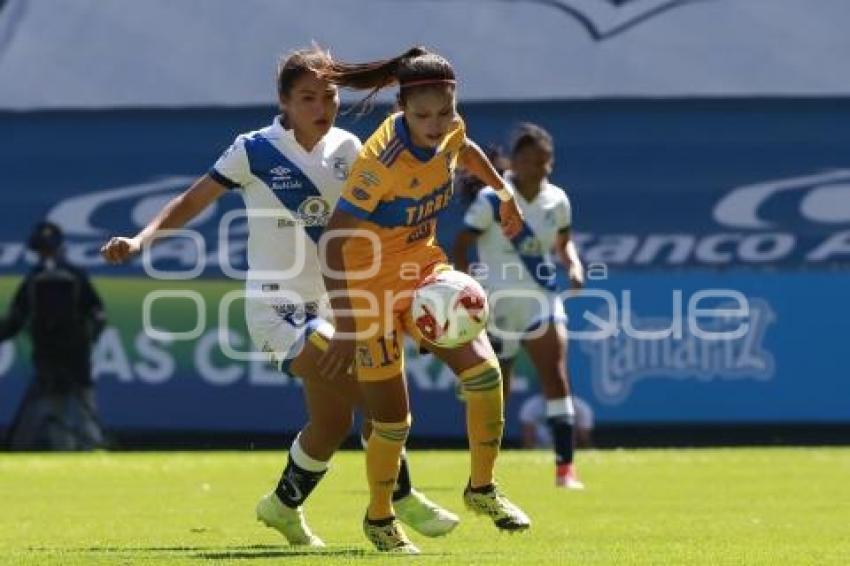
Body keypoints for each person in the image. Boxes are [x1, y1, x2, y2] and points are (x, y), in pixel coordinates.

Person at [100, 47, 457, 548]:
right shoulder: (254, 150)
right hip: (278, 308)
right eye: (308, 97)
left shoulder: (351, 149)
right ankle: (399, 501)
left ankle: (282, 506)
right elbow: (192, 200)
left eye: (329, 96)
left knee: (331, 424)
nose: (321, 106)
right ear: (284, 102)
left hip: (339, 305)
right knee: (375, 398)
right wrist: (140, 240)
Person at [315, 46, 531, 554]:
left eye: (445, 112)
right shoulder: (380, 161)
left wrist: (503, 193)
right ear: (402, 110)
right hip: (369, 289)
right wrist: (346, 324)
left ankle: (481, 488)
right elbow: (332, 242)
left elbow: (467, 148)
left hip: (424, 272)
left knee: (484, 375)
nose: (436, 125)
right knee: (393, 421)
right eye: (422, 116)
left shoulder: (451, 129)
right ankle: (379, 517)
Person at [454, 123, 586, 489]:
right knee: (496, 389)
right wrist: (466, 289)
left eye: (543, 161)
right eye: (528, 160)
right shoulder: (493, 198)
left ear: (551, 162)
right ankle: (483, 472)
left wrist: (572, 265)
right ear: (514, 162)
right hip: (497, 305)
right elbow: (462, 244)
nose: (537, 168)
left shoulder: (557, 199)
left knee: (557, 377)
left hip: (540, 301)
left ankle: (565, 469)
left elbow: (564, 243)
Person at [2, 221, 106, 451]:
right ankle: (66, 450)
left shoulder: (75, 277)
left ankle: (93, 447)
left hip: (75, 354)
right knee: (55, 406)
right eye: (42, 249)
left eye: (48, 248)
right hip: (49, 354)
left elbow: (96, 311)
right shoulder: (34, 280)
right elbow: (16, 317)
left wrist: (91, 336)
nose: (45, 254)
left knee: (84, 403)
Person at [520, 393, 594, 449]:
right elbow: (528, 442)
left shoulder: (581, 408)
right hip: (540, 452)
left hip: (571, 451)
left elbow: (584, 441)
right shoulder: (530, 406)